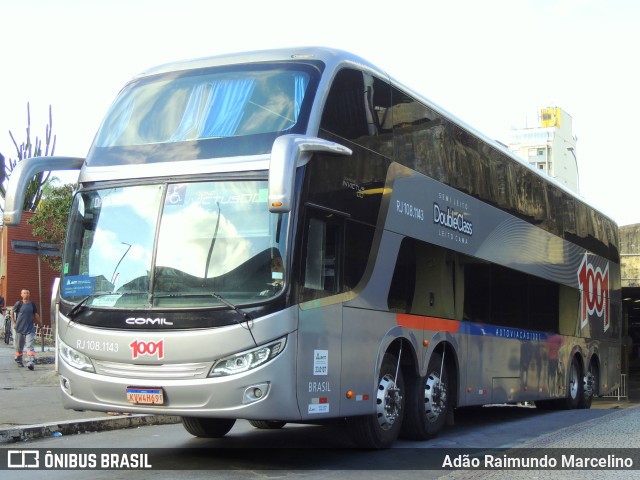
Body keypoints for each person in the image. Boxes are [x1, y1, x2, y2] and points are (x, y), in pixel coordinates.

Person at [11, 289, 40, 370]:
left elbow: (36, 314)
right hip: (19, 328)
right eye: (24, 293)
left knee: (29, 346)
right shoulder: (19, 304)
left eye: (27, 293)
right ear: (21, 295)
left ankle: (30, 362)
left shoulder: (32, 304)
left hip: (30, 329)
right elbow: (12, 312)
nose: (26, 294)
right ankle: (19, 360)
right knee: (19, 347)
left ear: (29, 294)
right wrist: (14, 322)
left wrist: (40, 324)